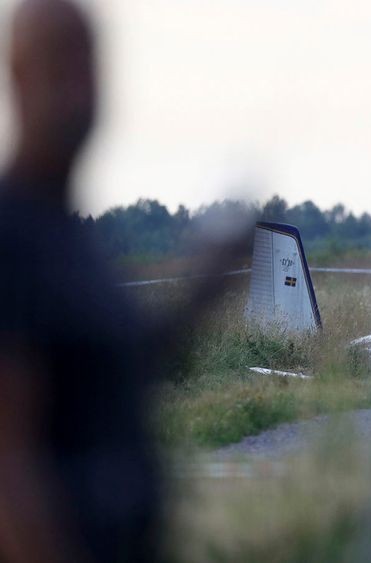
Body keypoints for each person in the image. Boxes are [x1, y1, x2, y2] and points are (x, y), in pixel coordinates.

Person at [0, 1, 160, 560]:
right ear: (18, 74)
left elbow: (117, 379)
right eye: (61, 65)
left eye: (89, 63)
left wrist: (207, 292)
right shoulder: (12, 234)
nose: (82, 89)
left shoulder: (77, 240)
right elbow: (9, 462)